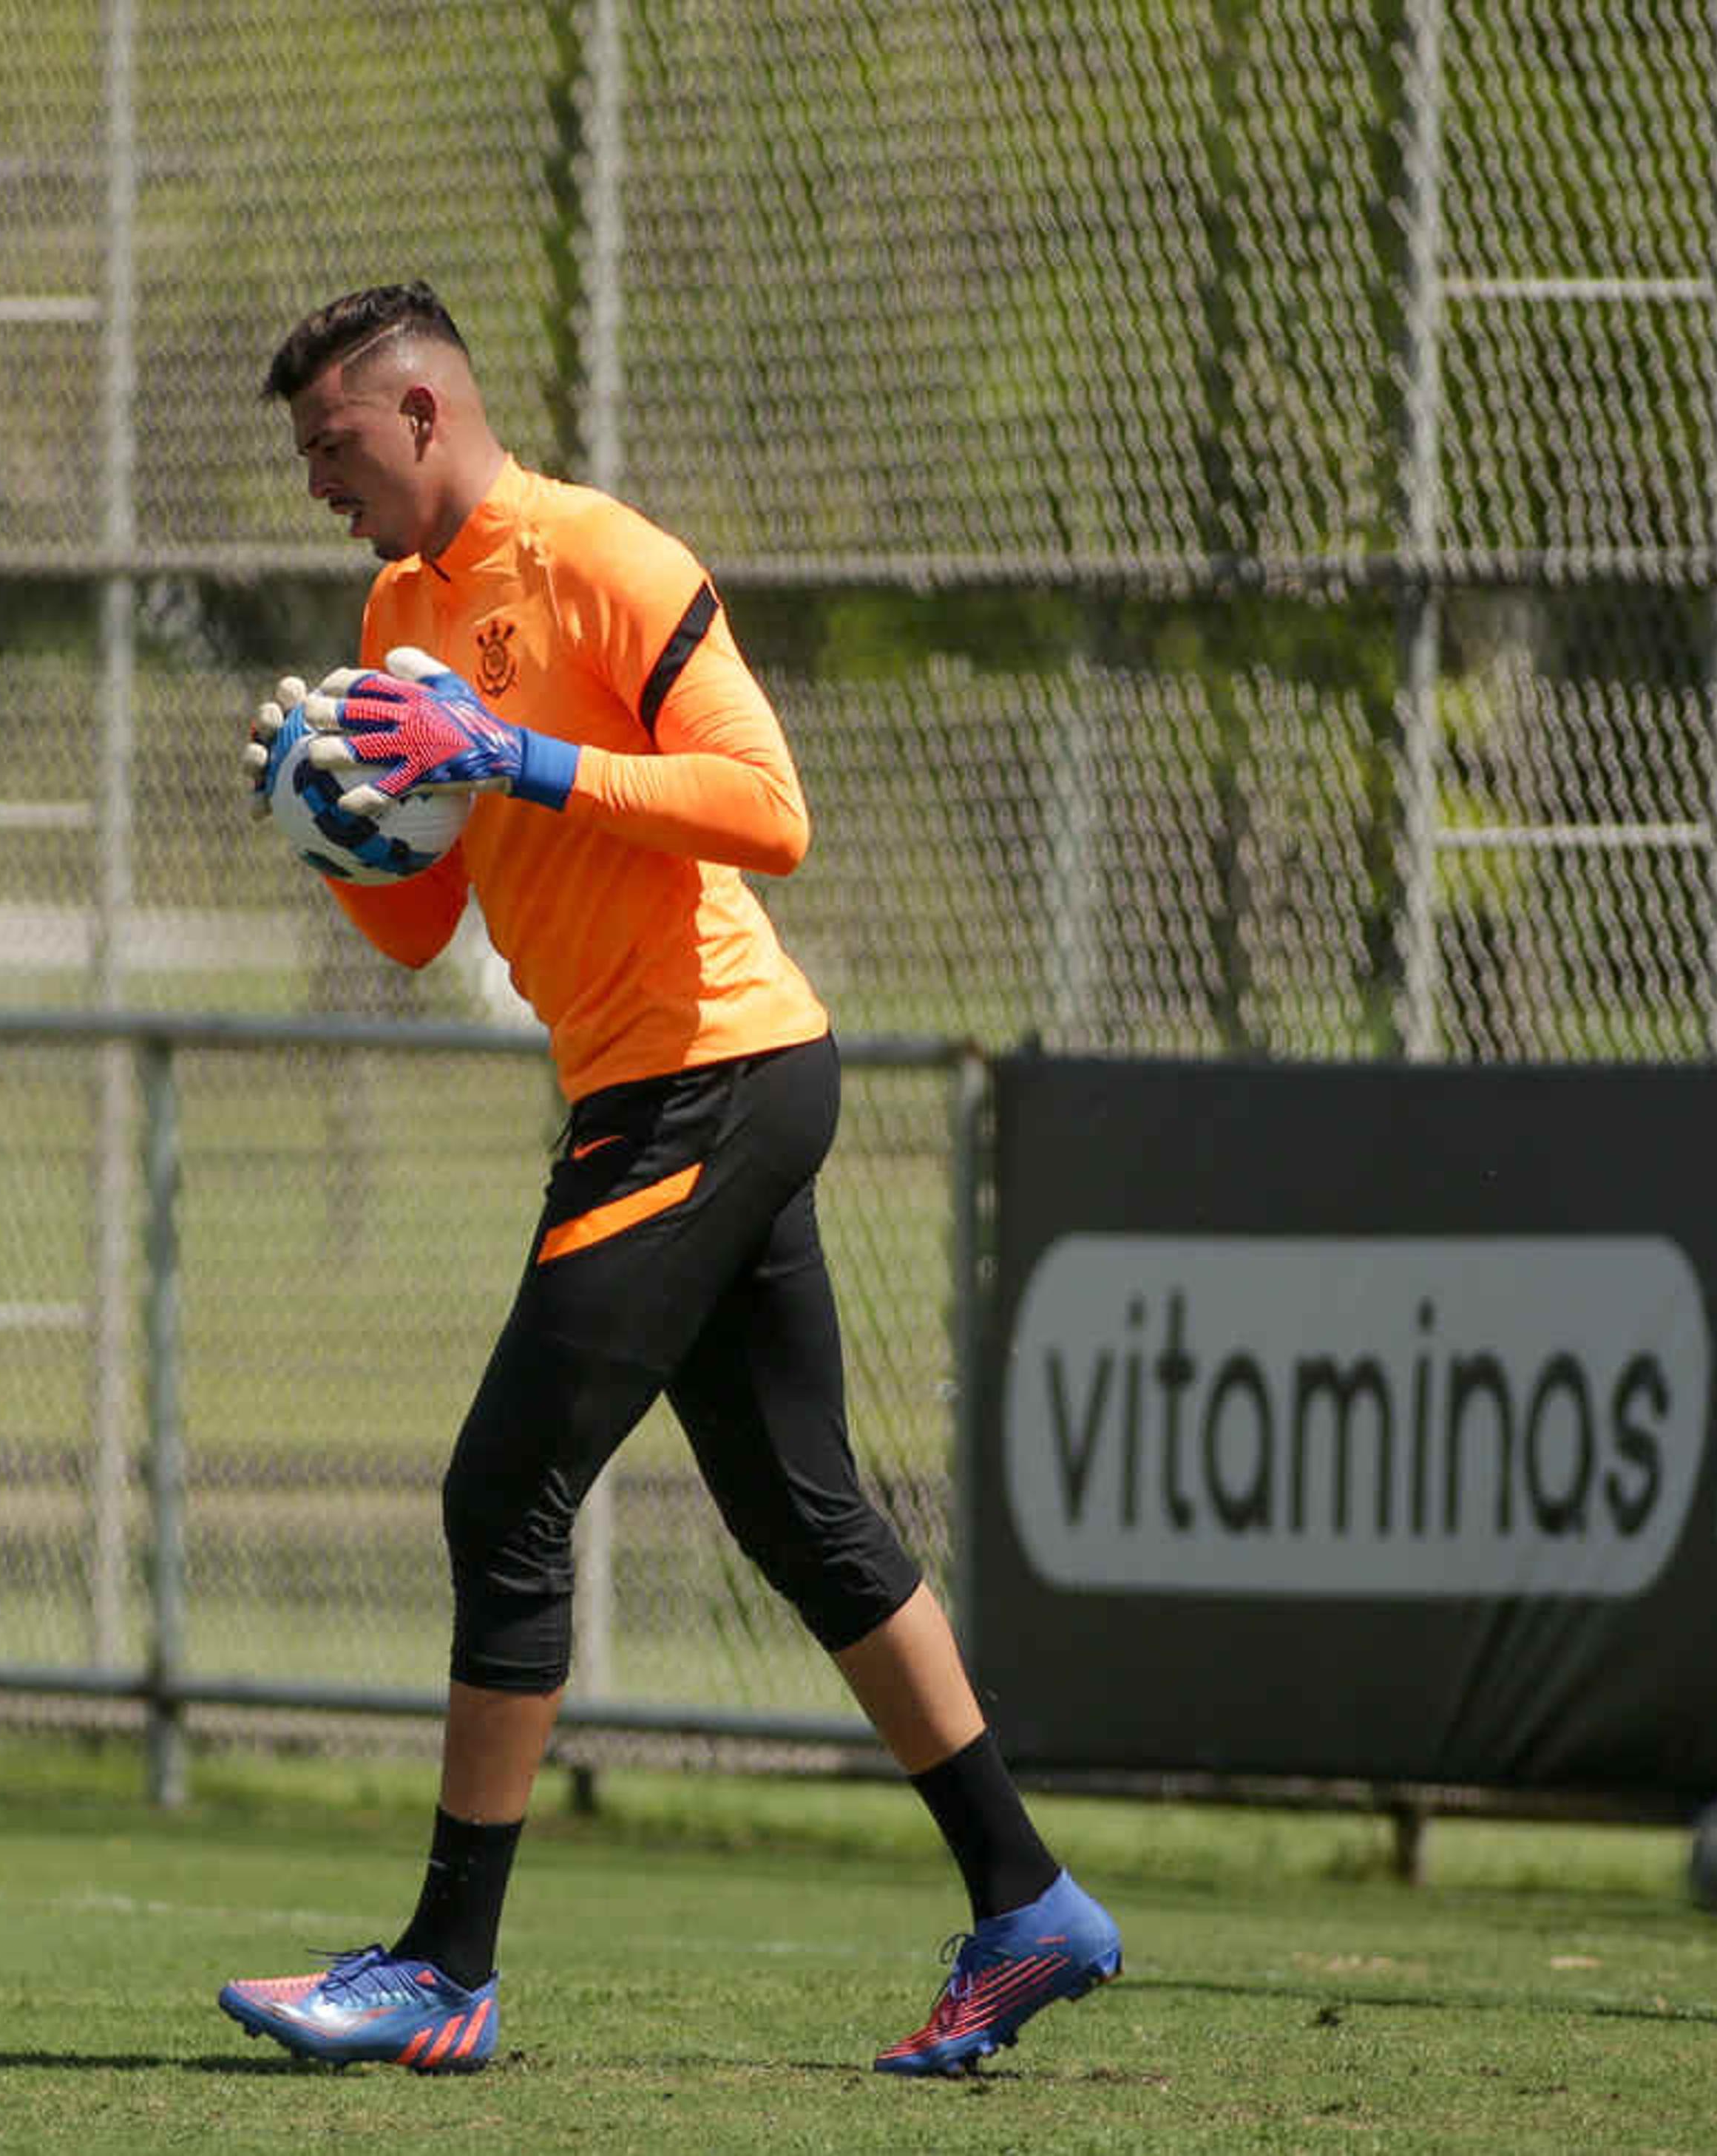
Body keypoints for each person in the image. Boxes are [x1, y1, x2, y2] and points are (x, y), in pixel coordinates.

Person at [214, 282, 1120, 2078]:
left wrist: (518, 754)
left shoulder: (603, 559)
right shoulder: (398, 609)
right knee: (806, 1516)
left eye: (332, 446)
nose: (318, 482)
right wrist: (332, 825)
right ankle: (1029, 1906)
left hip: (714, 1076)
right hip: (669, 1084)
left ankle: (445, 1968)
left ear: (419, 416)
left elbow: (768, 806)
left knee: (503, 1495)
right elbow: (419, 929)